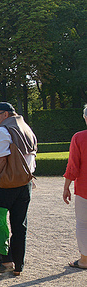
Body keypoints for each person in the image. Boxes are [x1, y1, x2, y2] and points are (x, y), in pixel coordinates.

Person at [0, 102, 37, 276]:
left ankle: (6, 261)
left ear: (5, 114)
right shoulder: (26, 128)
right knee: (20, 225)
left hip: (6, 184)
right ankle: (18, 265)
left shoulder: (4, 130)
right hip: (25, 183)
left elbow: (0, 159)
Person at [64, 104, 87, 269]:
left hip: (84, 189)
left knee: (83, 223)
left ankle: (85, 259)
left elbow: (73, 167)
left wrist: (66, 187)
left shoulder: (79, 138)